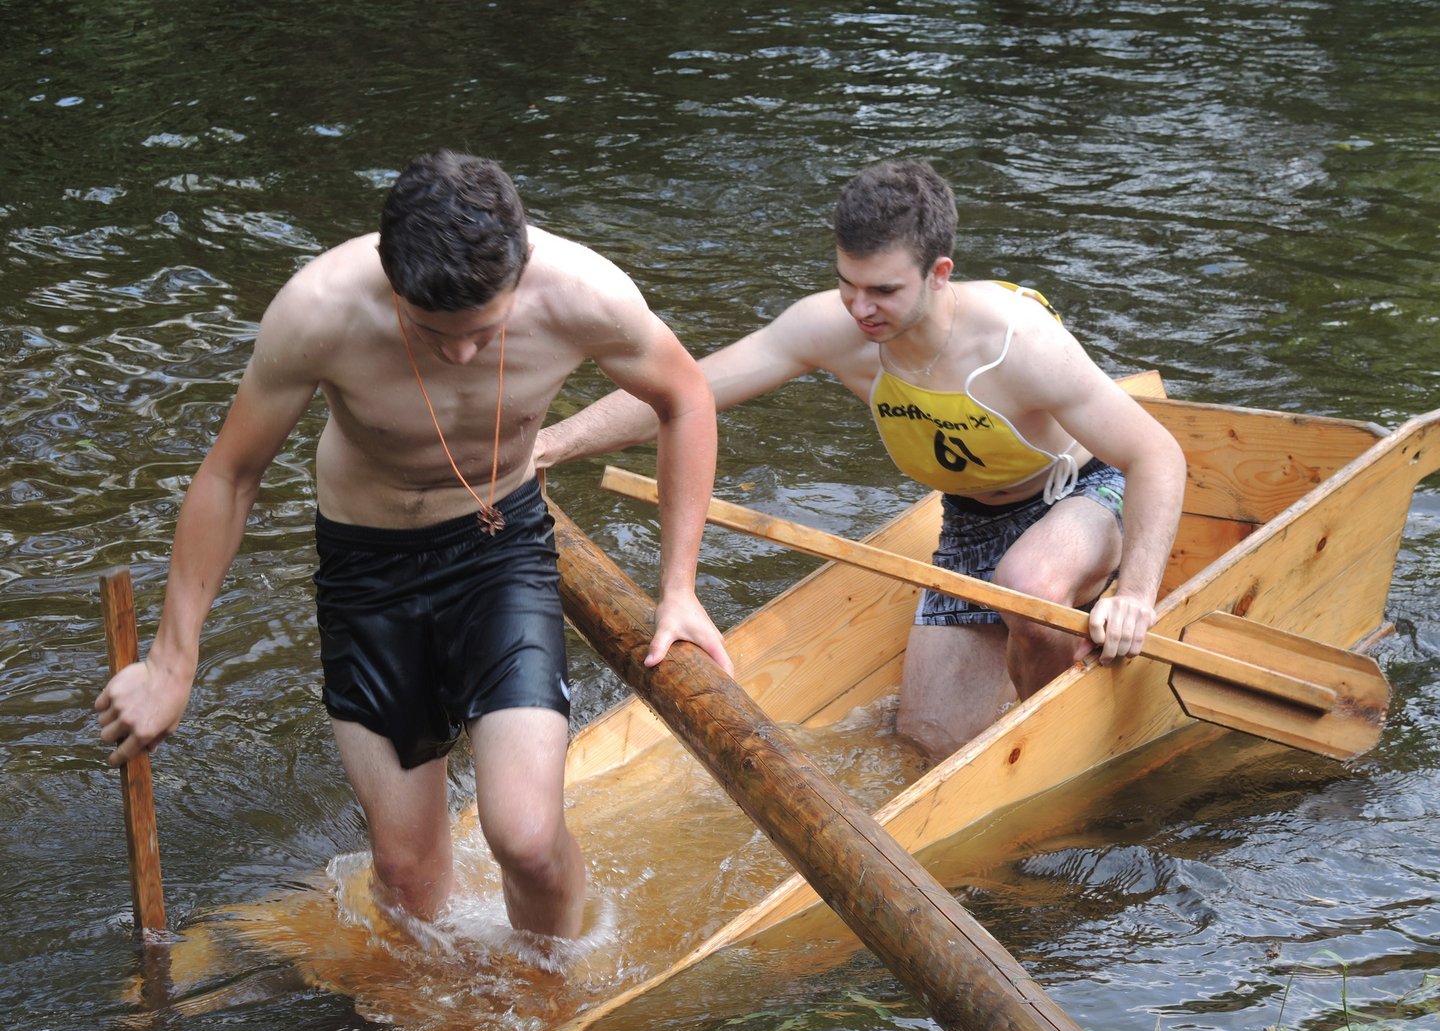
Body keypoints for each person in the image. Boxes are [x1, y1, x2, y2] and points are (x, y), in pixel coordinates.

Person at [94, 151, 731, 938]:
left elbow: (685, 397)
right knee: (405, 873)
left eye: (484, 332)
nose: (461, 354)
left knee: (527, 839)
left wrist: (679, 588)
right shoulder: (321, 310)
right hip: (370, 571)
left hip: (500, 549)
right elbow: (231, 474)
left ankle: (557, 983)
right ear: (392, 281)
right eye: (432, 333)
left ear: (520, 272)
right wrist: (171, 663)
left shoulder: (582, 294)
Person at [535, 159, 1186, 761]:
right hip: (972, 521)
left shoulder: (1018, 342)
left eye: (883, 290)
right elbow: (683, 392)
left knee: (1030, 583)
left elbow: (1156, 453)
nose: (861, 309)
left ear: (939, 273)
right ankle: (1032, 678)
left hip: (1085, 493)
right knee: (928, 744)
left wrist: (1136, 595)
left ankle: (1054, 735)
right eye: (847, 285)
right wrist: (550, 445)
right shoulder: (831, 328)